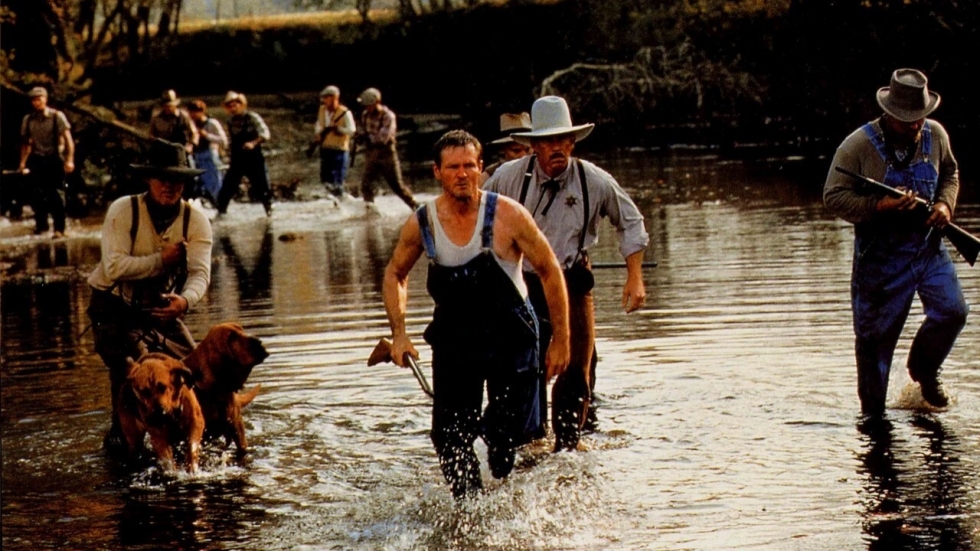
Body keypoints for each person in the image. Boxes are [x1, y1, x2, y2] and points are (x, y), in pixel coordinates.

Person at [383, 130, 570, 499]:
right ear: (437, 171)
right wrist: (399, 333)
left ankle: (501, 461)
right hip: (456, 338)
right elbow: (394, 273)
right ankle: (468, 510)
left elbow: (550, 270)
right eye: (453, 167)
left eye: (470, 165)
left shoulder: (508, 215)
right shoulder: (423, 223)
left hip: (511, 337)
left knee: (506, 438)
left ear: (481, 168)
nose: (462, 174)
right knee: (450, 437)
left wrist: (561, 340)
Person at [484, 95, 649, 451]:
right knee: (522, 368)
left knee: (577, 367)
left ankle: (569, 447)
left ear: (573, 142)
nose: (557, 148)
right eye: (548, 142)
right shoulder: (507, 178)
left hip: (573, 278)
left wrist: (634, 276)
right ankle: (528, 438)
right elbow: (475, 218)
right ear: (534, 146)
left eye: (563, 141)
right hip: (521, 282)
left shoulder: (594, 180)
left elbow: (631, 223)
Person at [824, 68, 969, 416]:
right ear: (888, 114)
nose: (916, 126)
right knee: (874, 346)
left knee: (953, 311)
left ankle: (924, 371)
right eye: (907, 120)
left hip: (929, 248)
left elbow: (950, 173)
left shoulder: (937, 135)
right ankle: (873, 425)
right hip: (881, 260)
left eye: (920, 118)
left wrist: (945, 205)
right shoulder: (856, 146)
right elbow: (833, 197)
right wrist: (880, 206)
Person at [86, 140, 213, 449]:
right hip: (112, 306)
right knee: (132, 371)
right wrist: (161, 260)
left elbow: (200, 273)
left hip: (159, 306)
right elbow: (114, 267)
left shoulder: (195, 219)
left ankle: (193, 432)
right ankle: (123, 439)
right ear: (148, 180)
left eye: (176, 179)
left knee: (195, 372)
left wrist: (184, 301)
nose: (169, 186)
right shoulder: (124, 210)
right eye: (162, 178)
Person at [18, 86, 75, 238]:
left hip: (55, 158)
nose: (37, 102)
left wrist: (69, 160)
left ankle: (59, 229)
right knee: (37, 195)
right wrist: (22, 163)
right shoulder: (28, 120)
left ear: (45, 99)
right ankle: (41, 227)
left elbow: (69, 140)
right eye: (34, 100)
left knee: (56, 194)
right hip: (37, 159)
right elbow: (26, 143)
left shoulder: (57, 116)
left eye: (39, 99)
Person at [356, 87, 417, 209]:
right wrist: (360, 136)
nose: (367, 108)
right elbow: (364, 131)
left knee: (397, 187)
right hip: (372, 153)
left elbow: (383, 138)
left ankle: (416, 207)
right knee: (365, 185)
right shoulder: (365, 115)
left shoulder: (388, 116)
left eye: (369, 105)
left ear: (376, 102)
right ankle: (371, 210)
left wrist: (367, 137)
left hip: (387, 154)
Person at [215, 91, 274, 216]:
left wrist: (253, 143)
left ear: (241, 105)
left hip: (254, 158)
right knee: (227, 188)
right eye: (230, 106)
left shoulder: (253, 117)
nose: (233, 108)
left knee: (262, 187)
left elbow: (265, 134)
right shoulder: (230, 121)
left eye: (235, 105)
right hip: (237, 159)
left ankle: (269, 213)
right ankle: (221, 213)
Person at [311, 85, 356, 197]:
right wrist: (318, 133)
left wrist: (339, 129)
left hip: (339, 150)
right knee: (326, 180)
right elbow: (318, 124)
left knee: (338, 180)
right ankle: (332, 202)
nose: (324, 100)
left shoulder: (345, 112)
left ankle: (340, 202)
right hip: (326, 149)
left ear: (335, 98)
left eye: (327, 97)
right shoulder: (322, 110)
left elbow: (352, 130)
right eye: (324, 98)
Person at [186, 99, 228, 206]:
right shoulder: (190, 124)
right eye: (190, 112)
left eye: (194, 112)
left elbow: (223, 140)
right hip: (196, 158)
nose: (192, 115)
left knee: (215, 185)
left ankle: (220, 206)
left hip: (210, 157)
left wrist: (207, 136)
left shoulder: (211, 123)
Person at [481, 112, 533, 184]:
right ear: (503, 149)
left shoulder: (543, 171)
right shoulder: (489, 177)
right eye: (516, 150)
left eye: (527, 150)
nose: (523, 155)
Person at [149, 89, 199, 157]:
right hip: (163, 152)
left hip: (182, 151)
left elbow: (194, 133)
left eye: (169, 106)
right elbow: (151, 134)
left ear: (175, 105)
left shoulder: (184, 116)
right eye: (165, 106)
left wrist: (191, 146)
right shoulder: (156, 118)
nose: (167, 108)